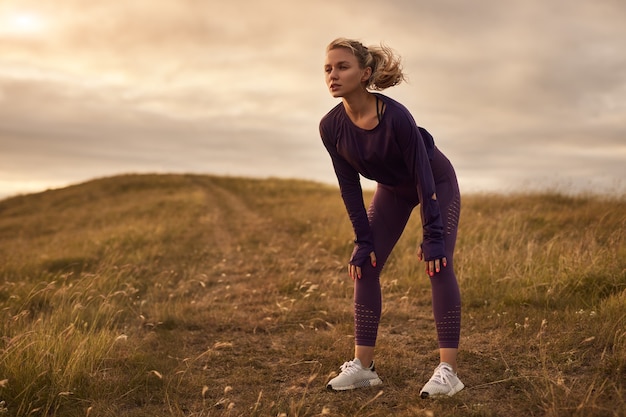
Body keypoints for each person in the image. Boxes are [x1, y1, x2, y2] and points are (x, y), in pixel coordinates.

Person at [319, 38, 464, 398]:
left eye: (342, 67)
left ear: (365, 73)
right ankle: (364, 368)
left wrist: (432, 235)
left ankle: (449, 372)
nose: (333, 75)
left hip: (434, 182)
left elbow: (423, 175)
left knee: (439, 263)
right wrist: (362, 239)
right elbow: (349, 187)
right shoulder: (330, 127)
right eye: (327, 69)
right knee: (365, 265)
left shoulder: (396, 116)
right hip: (391, 191)